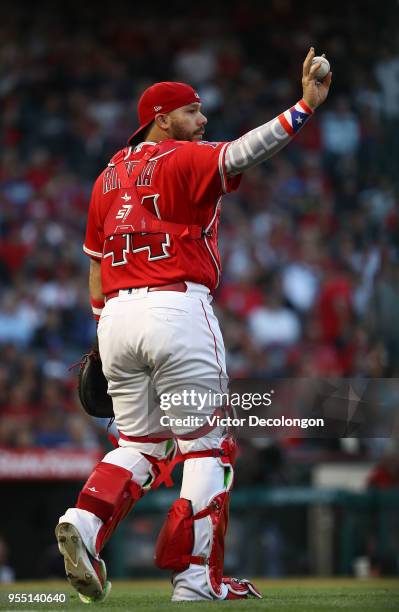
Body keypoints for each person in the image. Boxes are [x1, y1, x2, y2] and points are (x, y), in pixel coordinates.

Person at [55, 47, 331, 603]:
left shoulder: (108, 174)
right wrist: (304, 105)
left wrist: (104, 330)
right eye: (193, 111)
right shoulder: (184, 156)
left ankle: (83, 523)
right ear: (162, 118)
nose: (202, 121)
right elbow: (246, 152)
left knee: (141, 444)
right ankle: (197, 578)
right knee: (208, 449)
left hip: (116, 318)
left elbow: (94, 262)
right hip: (176, 308)